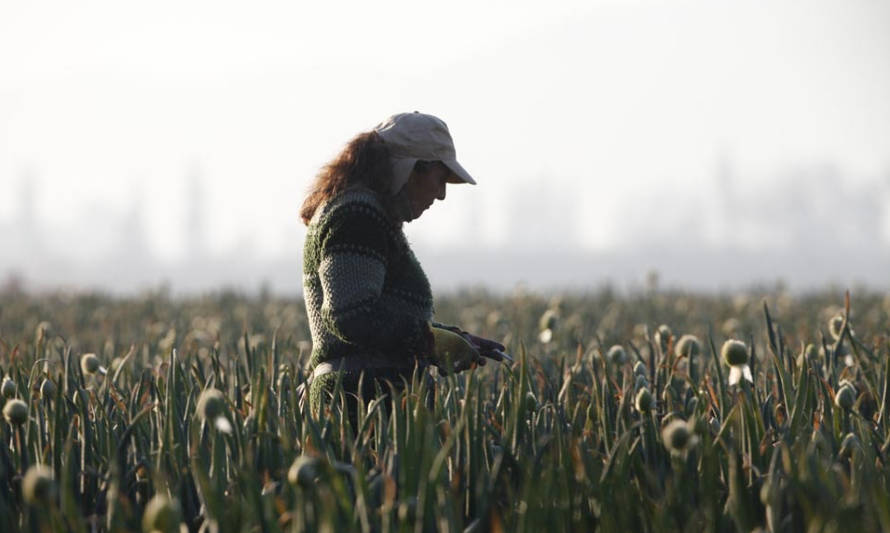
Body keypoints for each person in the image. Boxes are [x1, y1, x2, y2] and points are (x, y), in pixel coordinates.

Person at [299, 111, 505, 419]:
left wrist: (451, 337)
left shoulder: (365, 214)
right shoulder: (356, 215)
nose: (442, 194)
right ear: (411, 170)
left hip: (372, 398)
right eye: (440, 178)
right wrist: (428, 340)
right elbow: (350, 315)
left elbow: (375, 313)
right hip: (363, 404)